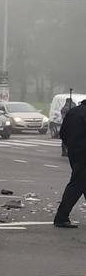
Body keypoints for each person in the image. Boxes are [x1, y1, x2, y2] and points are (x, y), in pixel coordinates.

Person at [54, 98, 86, 229]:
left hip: (75, 153)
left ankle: (61, 217)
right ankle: (61, 217)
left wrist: (71, 146)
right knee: (77, 184)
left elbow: (62, 133)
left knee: (81, 182)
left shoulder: (73, 112)